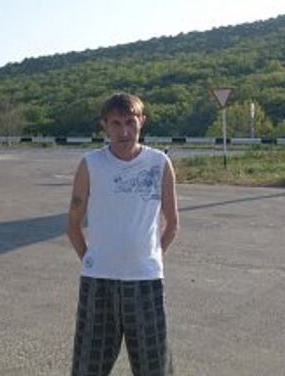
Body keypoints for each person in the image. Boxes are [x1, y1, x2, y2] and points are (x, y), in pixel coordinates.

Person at [67, 92, 179, 376]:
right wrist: (91, 259)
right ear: (104, 125)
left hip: (145, 281)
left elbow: (172, 223)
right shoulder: (91, 164)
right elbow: (73, 224)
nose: (124, 131)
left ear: (142, 121)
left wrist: (151, 258)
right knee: (88, 365)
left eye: (130, 122)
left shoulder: (159, 163)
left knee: (153, 366)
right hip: (98, 281)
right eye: (116, 123)